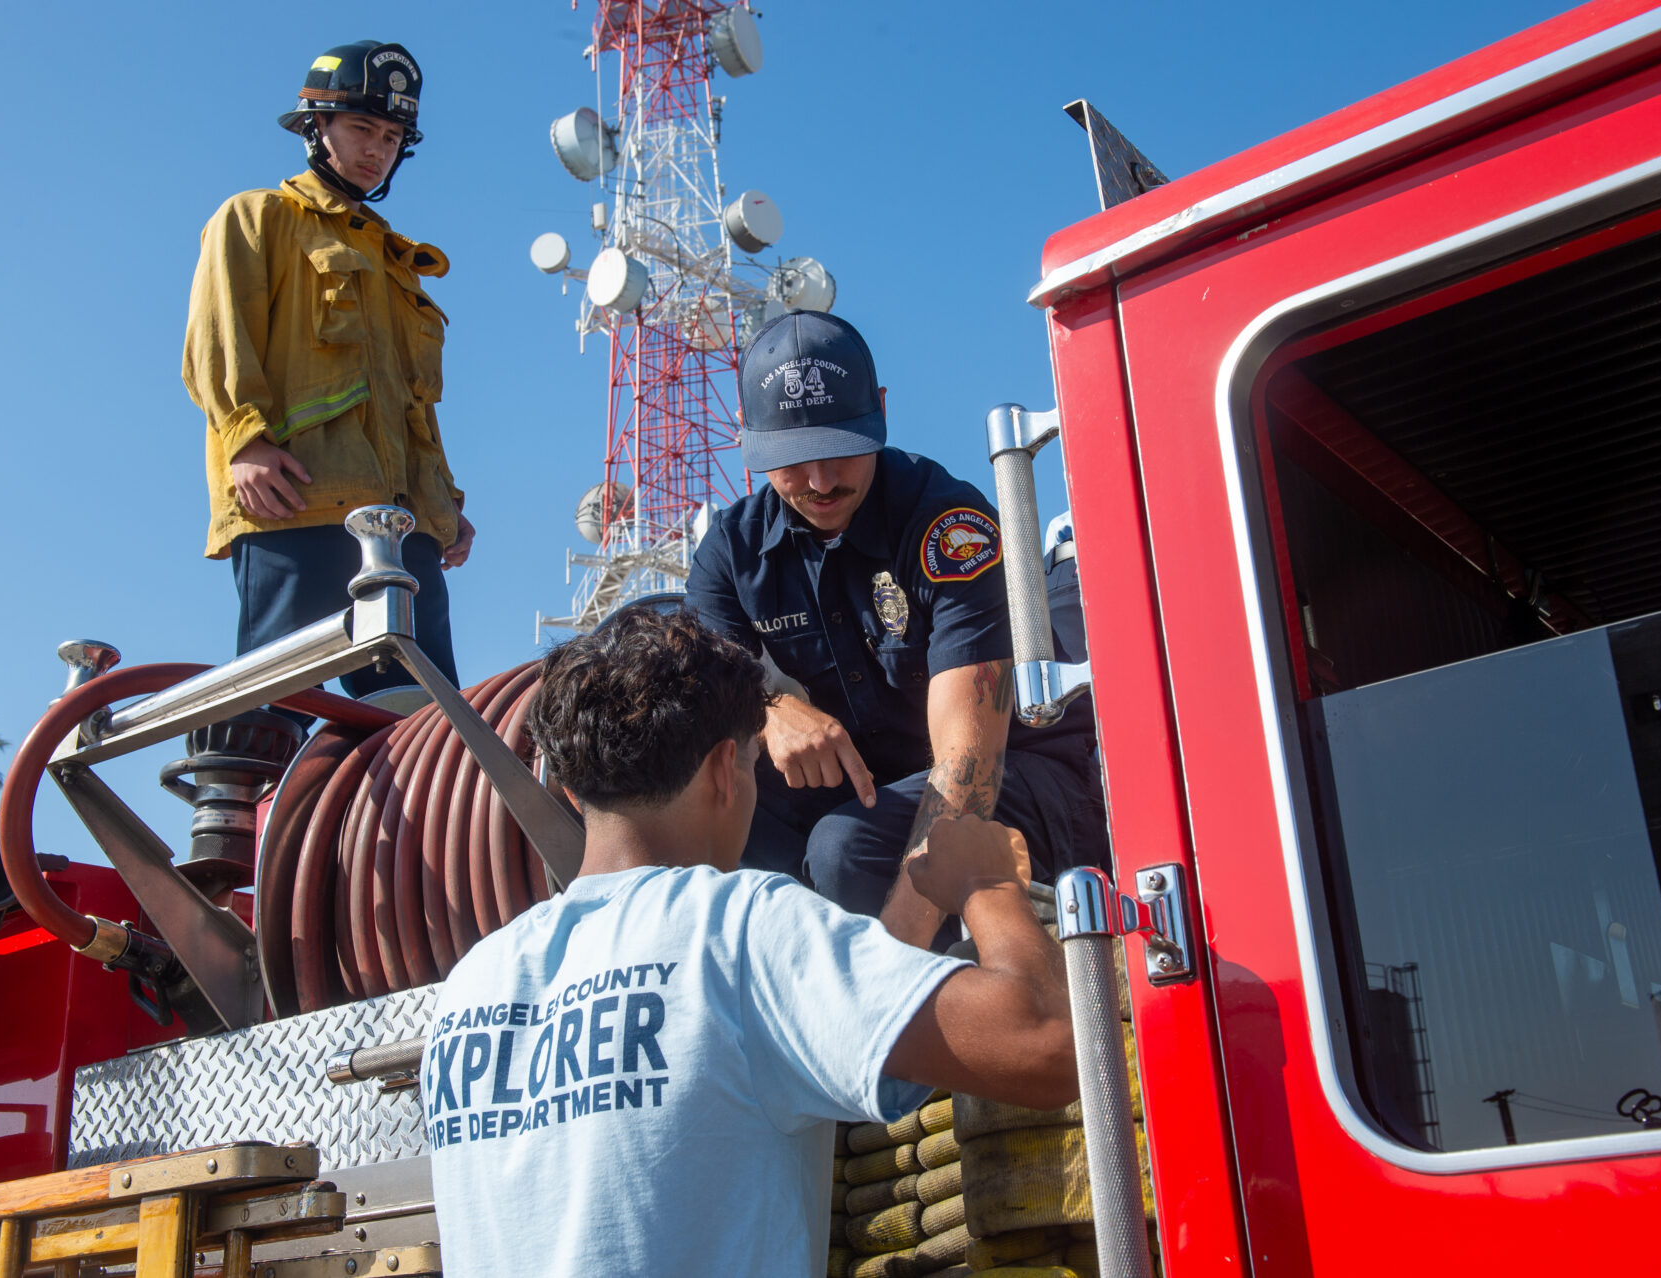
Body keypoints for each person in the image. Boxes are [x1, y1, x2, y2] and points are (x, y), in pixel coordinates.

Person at [421, 607, 1074, 1277]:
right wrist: (987, 884)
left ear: (570, 788)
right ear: (725, 770)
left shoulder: (468, 991)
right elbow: (1046, 1047)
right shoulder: (738, 930)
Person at [685, 311, 1106, 948]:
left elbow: (970, 759)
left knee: (843, 849)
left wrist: (888, 975)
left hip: (1018, 770)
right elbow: (706, 701)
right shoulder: (729, 554)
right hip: (875, 789)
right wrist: (769, 709)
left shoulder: (948, 525)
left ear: (879, 411)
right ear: (750, 442)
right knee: (713, 809)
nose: (821, 482)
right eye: (795, 460)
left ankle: (939, 1024)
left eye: (839, 447)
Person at [183, 41, 472, 712]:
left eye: (393, 137)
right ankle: (259, 817)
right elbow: (217, 341)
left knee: (426, 726)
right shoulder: (258, 218)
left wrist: (445, 501)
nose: (378, 150)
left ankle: (383, 825)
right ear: (316, 127)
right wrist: (246, 442)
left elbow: (412, 402)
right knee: (275, 711)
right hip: (297, 502)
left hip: (405, 526)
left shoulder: (399, 266)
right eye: (362, 129)